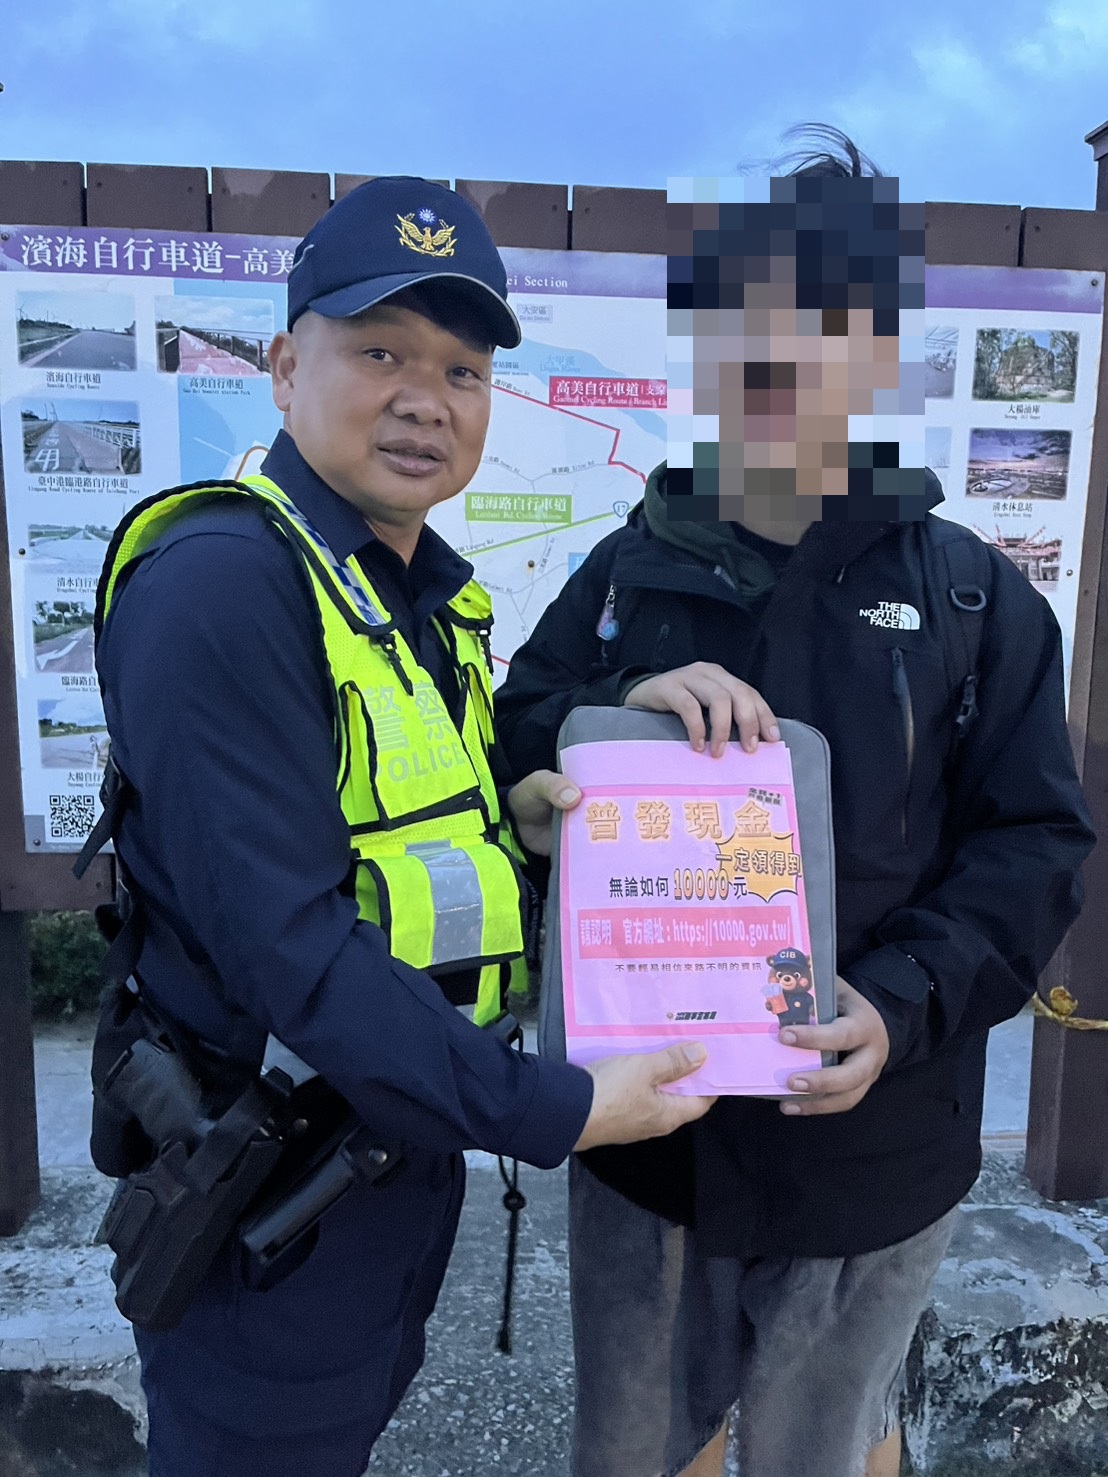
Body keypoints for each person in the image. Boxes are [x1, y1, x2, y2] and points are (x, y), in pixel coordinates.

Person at [88, 176, 716, 1477]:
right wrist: (556, 1106)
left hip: (384, 1157)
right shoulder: (223, 587)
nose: (427, 398)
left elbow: (398, 845)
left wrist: (527, 825)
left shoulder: (405, 594)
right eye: (381, 352)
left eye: (462, 370)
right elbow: (293, 952)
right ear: (284, 368)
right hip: (263, 1189)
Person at [496, 128, 1094, 1477]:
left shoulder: (975, 598)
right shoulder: (621, 577)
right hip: (650, 1144)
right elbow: (523, 731)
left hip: (874, 1153)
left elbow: (1036, 843)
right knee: (637, 1451)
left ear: (877, 352)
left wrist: (900, 1000)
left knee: (833, 1446)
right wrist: (604, 726)